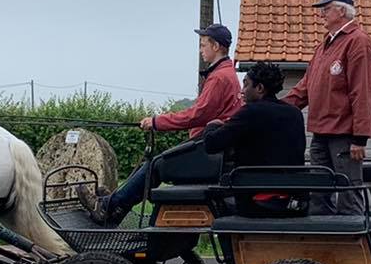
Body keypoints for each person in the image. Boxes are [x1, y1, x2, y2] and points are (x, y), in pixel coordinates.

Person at [91, 24, 242, 225]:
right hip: (210, 149)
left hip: (207, 150)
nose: (200, 49)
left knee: (156, 165)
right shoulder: (226, 73)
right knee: (153, 163)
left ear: (215, 46)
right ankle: (116, 204)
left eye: (203, 44)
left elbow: (196, 116)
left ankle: (109, 206)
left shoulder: (219, 78)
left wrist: (156, 121)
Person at [283, 0, 371, 215]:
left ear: (342, 11)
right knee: (318, 191)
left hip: (344, 135)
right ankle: (324, 243)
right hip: (320, 131)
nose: (321, 15)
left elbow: (363, 91)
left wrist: (360, 138)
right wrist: (274, 108)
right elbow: (305, 88)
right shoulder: (324, 45)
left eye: (326, 9)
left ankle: (353, 244)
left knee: (348, 191)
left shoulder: (359, 43)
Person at [201, 61, 306, 216]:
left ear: (259, 88)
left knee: (214, 201)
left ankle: (233, 240)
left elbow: (211, 144)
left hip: (258, 201)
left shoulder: (250, 112)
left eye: (246, 85)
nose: (242, 91)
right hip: (294, 201)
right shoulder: (295, 113)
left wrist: (212, 125)